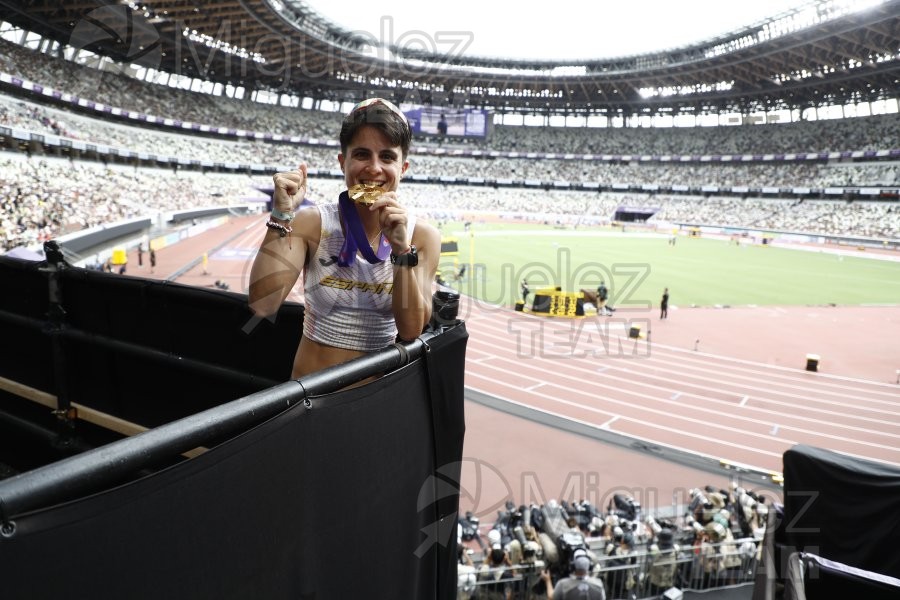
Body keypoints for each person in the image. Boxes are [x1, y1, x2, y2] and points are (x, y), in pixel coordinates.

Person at [248, 97, 440, 379]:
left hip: (376, 397)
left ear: (403, 168)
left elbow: (411, 330)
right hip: (311, 396)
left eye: (387, 157)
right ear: (342, 162)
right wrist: (280, 215)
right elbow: (263, 304)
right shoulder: (312, 222)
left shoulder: (422, 236)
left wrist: (401, 250)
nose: (374, 168)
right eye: (362, 154)